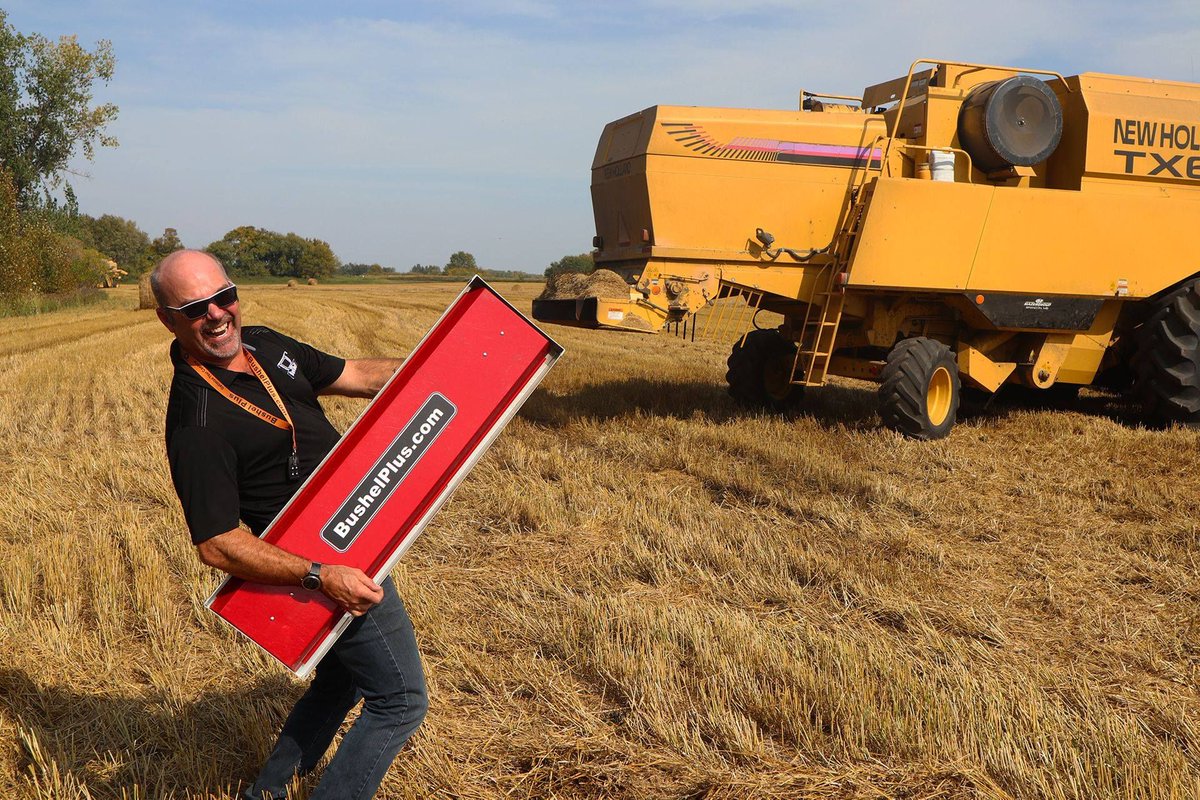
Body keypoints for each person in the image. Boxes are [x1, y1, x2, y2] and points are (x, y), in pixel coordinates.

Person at [152, 250, 427, 800]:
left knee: (343, 679)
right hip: (323, 564)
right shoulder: (197, 421)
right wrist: (321, 576)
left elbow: (353, 374)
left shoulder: (265, 343)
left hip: (356, 531)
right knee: (399, 699)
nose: (217, 314)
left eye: (223, 296)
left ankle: (269, 791)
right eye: (196, 308)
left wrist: (441, 372)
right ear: (169, 319)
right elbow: (217, 545)